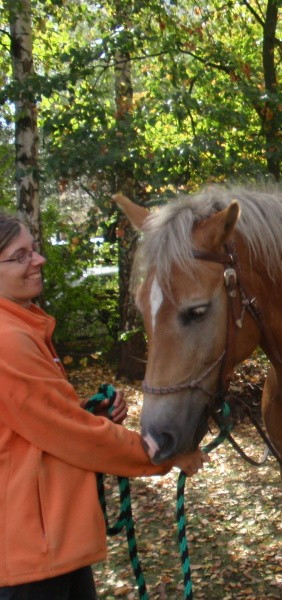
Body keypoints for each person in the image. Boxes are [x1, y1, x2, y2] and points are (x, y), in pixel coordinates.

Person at [0, 213, 208, 599]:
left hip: (46, 541)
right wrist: (162, 453)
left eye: (34, 249)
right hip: (29, 552)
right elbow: (67, 432)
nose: (38, 260)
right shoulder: (7, 340)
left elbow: (35, 421)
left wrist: (87, 412)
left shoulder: (24, 327)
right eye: (20, 256)